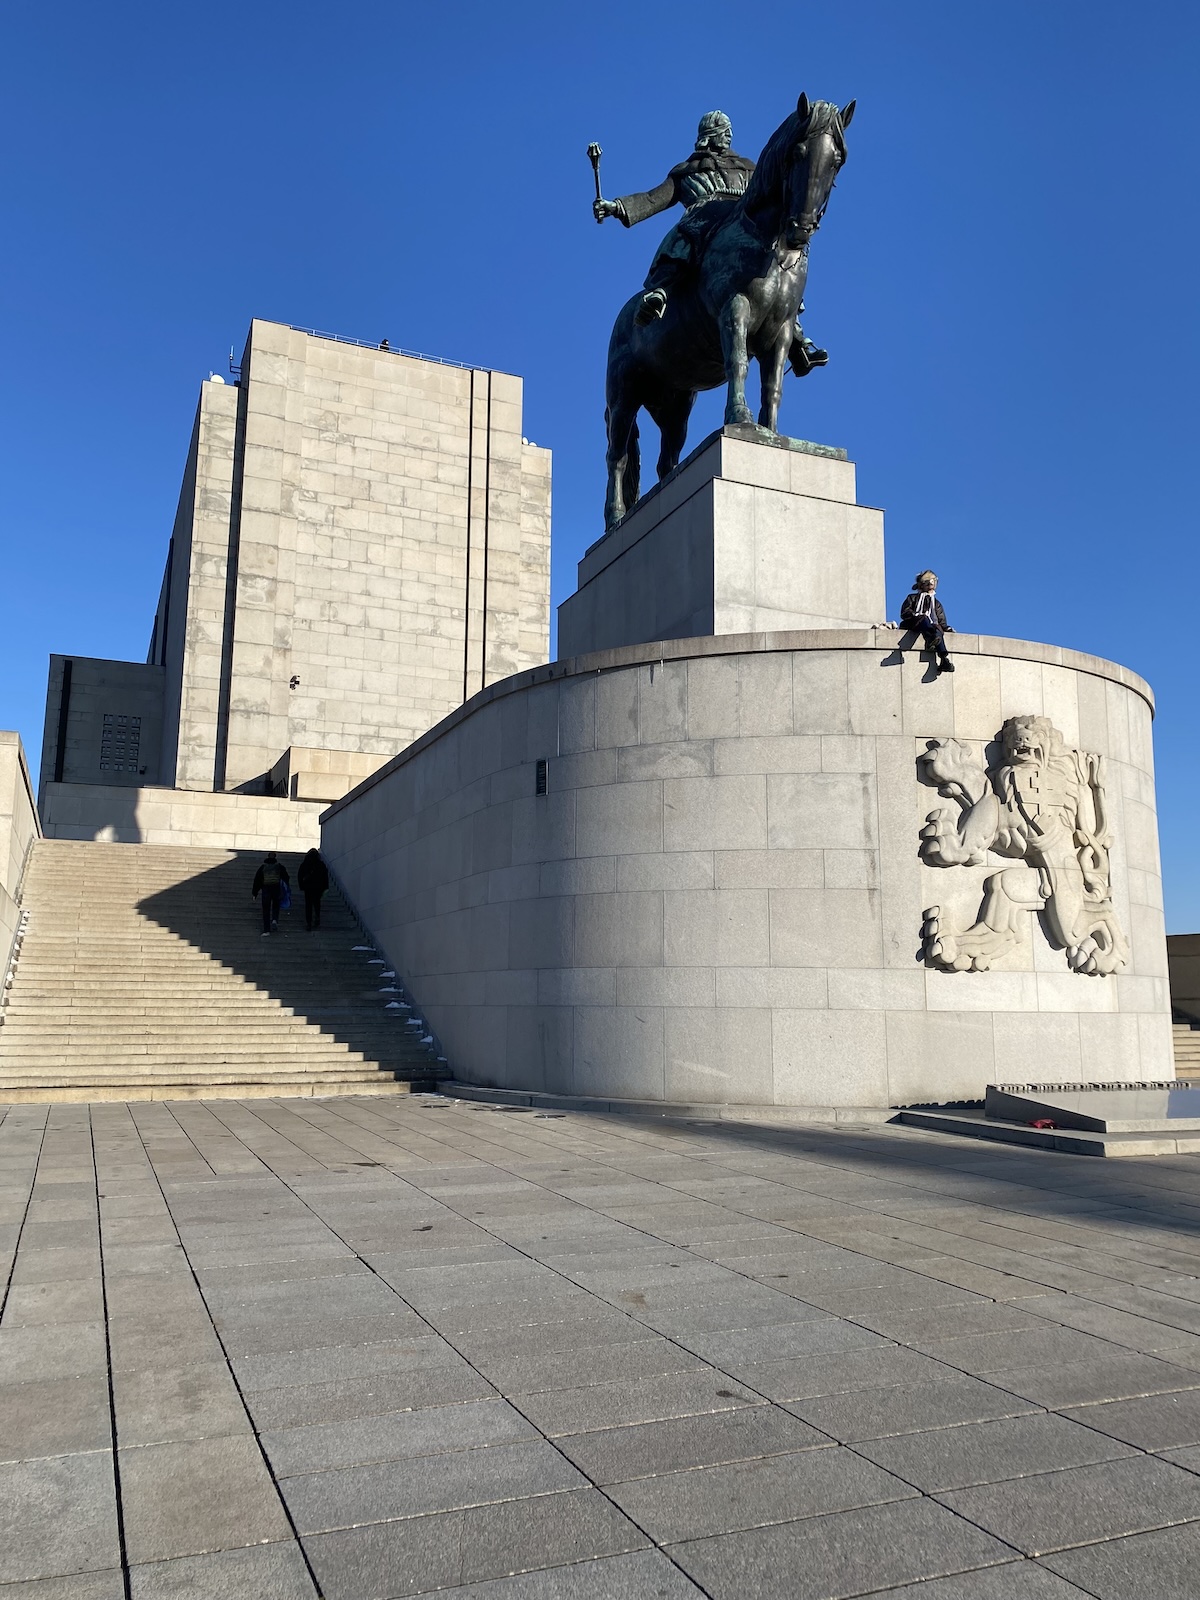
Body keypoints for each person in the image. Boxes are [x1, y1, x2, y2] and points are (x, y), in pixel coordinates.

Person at [594, 109, 824, 372]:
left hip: (743, 223)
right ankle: (662, 291)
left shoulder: (748, 167)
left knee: (780, 257)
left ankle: (794, 331)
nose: (728, 136)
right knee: (685, 234)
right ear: (708, 135)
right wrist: (617, 206)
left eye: (729, 132)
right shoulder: (686, 172)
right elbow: (652, 199)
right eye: (723, 131)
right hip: (705, 218)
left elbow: (768, 192)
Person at [900, 571, 955, 673]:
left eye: (932, 582)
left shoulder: (936, 603)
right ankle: (932, 637)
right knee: (925, 620)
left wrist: (946, 628)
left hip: (931, 626)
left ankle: (944, 660)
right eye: (928, 583)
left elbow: (941, 620)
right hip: (914, 623)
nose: (931, 585)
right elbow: (905, 613)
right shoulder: (912, 598)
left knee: (937, 630)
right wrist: (915, 615)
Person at [251, 851, 290, 936]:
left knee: (266, 909)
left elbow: (257, 880)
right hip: (276, 888)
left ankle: (266, 930)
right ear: (275, 857)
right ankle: (275, 919)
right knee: (276, 905)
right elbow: (286, 877)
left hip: (266, 889)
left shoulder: (263, 867)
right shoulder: (279, 867)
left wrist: (255, 893)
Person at [297, 848, 330, 932]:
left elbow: (300, 876)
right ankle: (317, 916)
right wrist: (325, 887)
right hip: (318, 888)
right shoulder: (321, 864)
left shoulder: (304, 864)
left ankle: (309, 923)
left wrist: (302, 886)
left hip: (308, 888)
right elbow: (325, 876)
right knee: (317, 904)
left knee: (308, 906)